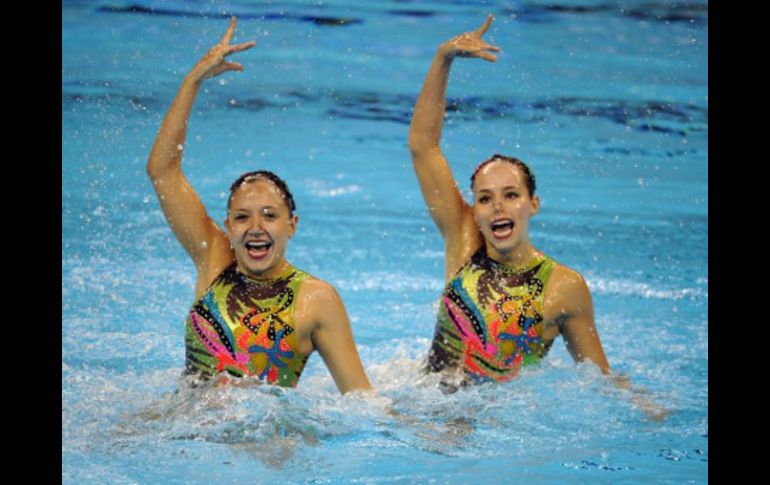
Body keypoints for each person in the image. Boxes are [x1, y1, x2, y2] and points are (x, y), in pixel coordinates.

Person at [408, 15, 666, 419]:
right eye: (486, 199)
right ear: (474, 210)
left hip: (493, 417)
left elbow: (596, 376)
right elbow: (423, 146)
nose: (498, 207)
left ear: (533, 204)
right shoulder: (463, 239)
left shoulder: (564, 287)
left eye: (511, 195)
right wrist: (444, 59)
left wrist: (646, 407)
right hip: (422, 395)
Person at [146, 17, 372, 394]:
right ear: (228, 227)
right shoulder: (214, 259)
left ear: (291, 225)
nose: (255, 227)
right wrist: (193, 82)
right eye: (242, 217)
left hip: (266, 442)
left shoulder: (316, 299)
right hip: (187, 427)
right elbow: (162, 171)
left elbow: (360, 398)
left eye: (270, 216)